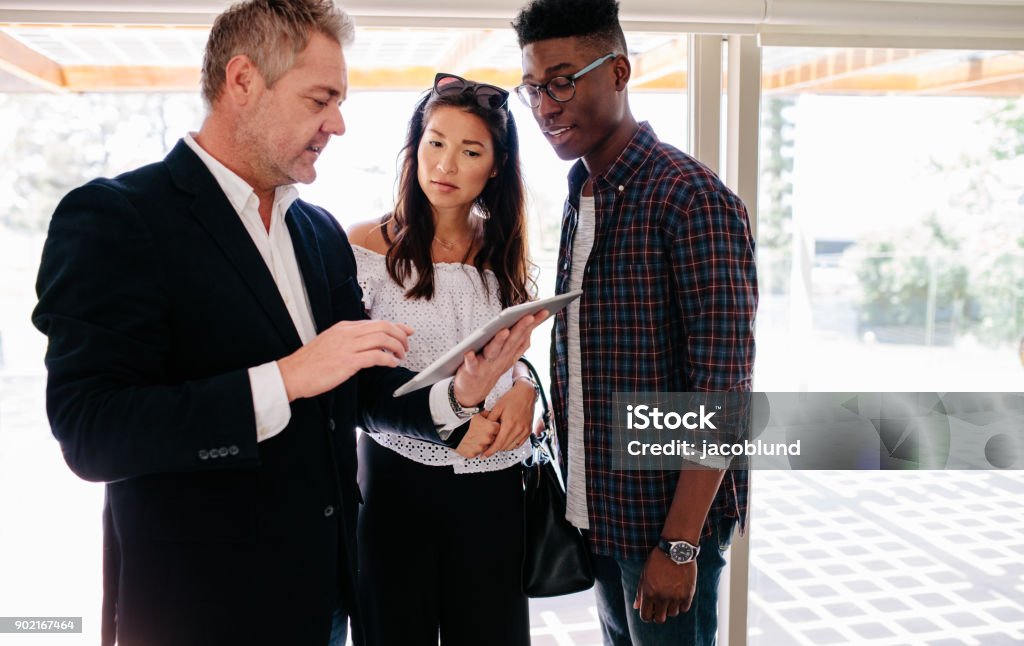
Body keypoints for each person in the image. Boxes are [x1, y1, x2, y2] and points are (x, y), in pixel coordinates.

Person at [31, 2, 541, 645]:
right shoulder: (117, 219)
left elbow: (363, 389)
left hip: (327, 603)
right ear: (243, 81)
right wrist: (287, 379)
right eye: (321, 99)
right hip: (200, 613)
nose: (340, 124)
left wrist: (461, 393)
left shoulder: (316, 232)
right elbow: (92, 433)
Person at [511, 1, 759, 644]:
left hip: (664, 528)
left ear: (618, 72)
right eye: (533, 87)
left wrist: (678, 548)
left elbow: (722, 396)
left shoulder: (691, 198)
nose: (545, 105)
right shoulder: (582, 194)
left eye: (562, 81)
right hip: (600, 515)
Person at [346, 74, 536, 646]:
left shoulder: (504, 252)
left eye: (470, 151)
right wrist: (457, 409)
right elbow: (354, 384)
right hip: (398, 483)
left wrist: (525, 386)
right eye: (435, 142)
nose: (446, 164)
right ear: (415, 146)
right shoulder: (363, 246)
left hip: (495, 487)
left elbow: (515, 351)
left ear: (496, 166)